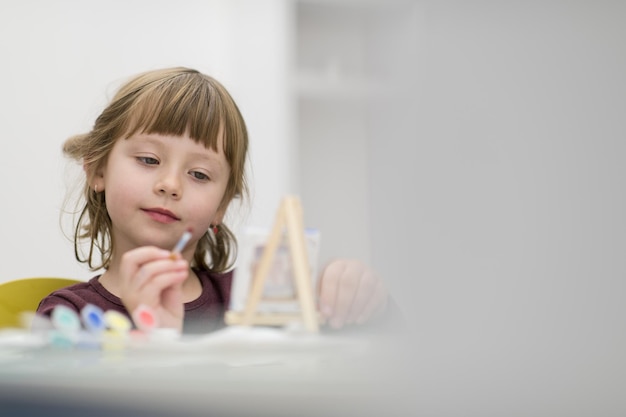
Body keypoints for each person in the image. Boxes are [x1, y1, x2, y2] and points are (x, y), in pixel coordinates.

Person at [37, 67, 390, 334]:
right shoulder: (69, 318)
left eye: (199, 175)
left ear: (221, 205)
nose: (170, 185)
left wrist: (361, 296)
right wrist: (155, 337)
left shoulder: (259, 300)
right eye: (148, 160)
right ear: (98, 170)